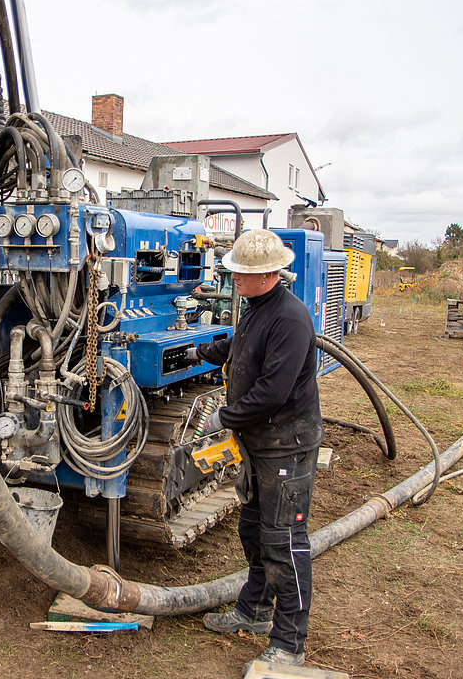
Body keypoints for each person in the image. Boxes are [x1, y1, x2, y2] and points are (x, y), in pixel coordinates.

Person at [186, 229, 323, 674]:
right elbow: (242, 348)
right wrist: (200, 350)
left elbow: (272, 391)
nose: (233, 280)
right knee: (254, 530)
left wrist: (223, 418)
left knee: (284, 542)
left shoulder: (291, 318)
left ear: (267, 275)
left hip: (287, 444)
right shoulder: (258, 307)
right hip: (260, 443)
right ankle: (255, 611)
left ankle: (289, 642)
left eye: (241, 275)